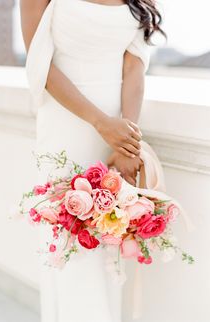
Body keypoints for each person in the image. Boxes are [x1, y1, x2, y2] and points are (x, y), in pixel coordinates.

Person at [20, 0, 165, 321]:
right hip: (66, 124)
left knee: (108, 240)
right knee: (68, 239)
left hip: (118, 129)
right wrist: (100, 123)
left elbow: (134, 67)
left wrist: (127, 143)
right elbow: (40, 63)